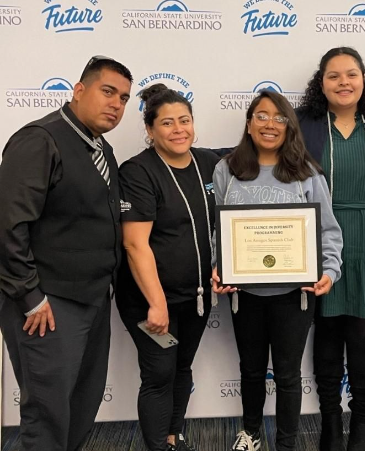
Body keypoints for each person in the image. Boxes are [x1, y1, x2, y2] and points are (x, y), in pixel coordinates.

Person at [0, 55, 132, 451]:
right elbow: (8, 223)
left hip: (92, 300)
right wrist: (30, 296)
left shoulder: (101, 149)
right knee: (48, 417)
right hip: (47, 306)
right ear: (78, 90)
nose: (116, 104)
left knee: (80, 406)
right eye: (108, 92)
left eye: (124, 98)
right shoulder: (41, 139)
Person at [211, 90, 343, 451]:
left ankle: (287, 442)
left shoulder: (307, 172)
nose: (270, 124)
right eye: (262, 116)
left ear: (289, 126)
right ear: (249, 123)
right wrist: (218, 267)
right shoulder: (227, 169)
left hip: (294, 295)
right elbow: (216, 230)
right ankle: (251, 433)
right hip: (245, 293)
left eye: (279, 117)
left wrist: (329, 271)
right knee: (251, 369)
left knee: (287, 374)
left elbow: (328, 230)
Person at [296, 46, 365, 451]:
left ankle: (361, 423)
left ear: (364, 80)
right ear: (320, 82)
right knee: (325, 337)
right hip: (317, 242)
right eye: (334, 75)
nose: (343, 82)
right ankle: (330, 424)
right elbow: (268, 159)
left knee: (362, 338)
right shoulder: (304, 123)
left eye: (351, 74)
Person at [116, 84, 219, 451]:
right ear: (150, 130)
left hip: (195, 297)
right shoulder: (138, 172)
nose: (179, 129)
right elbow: (134, 243)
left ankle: (173, 436)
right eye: (167, 123)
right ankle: (158, 445)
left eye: (185, 121)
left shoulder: (208, 162)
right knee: (159, 372)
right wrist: (156, 304)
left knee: (181, 367)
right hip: (149, 300)